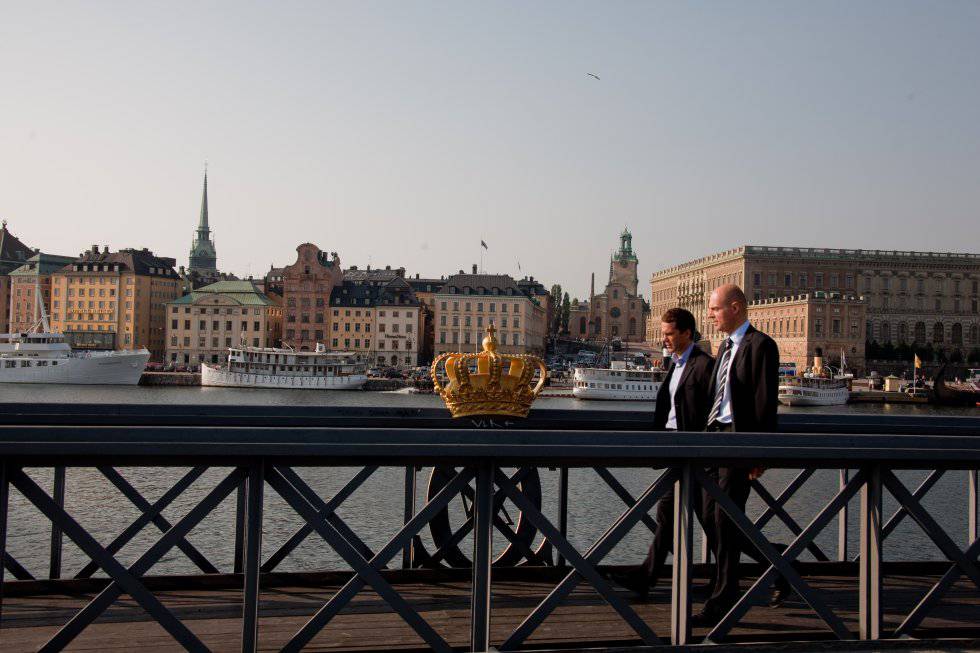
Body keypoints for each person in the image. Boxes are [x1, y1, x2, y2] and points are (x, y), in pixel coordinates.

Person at [693, 283, 788, 627]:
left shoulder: (762, 346)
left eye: (715, 309)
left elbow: (765, 402)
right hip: (714, 437)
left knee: (725, 518)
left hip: (738, 441)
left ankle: (724, 595)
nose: (710, 314)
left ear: (735, 308)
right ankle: (775, 561)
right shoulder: (723, 346)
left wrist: (758, 452)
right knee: (707, 514)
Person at [609, 308, 715, 600]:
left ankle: (780, 564)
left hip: (697, 456)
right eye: (664, 333)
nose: (664, 339)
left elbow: (712, 414)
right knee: (667, 512)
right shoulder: (677, 364)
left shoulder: (705, 365)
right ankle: (648, 575)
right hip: (676, 452)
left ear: (687, 334)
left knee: (716, 524)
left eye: (669, 334)